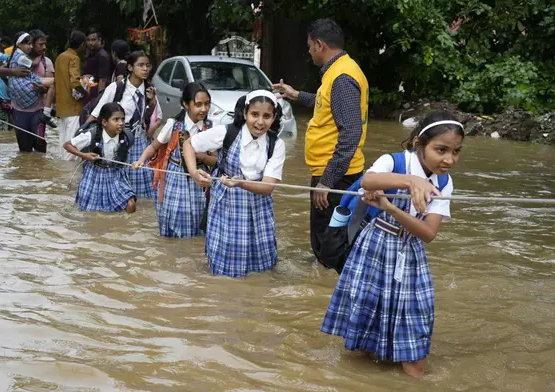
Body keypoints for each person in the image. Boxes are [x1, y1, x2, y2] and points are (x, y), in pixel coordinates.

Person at [321, 110, 464, 377]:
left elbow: (428, 233)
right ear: (419, 145)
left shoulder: (444, 182)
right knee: (363, 326)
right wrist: (412, 181)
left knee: (416, 326)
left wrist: (390, 206)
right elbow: (368, 180)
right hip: (374, 246)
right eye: (441, 149)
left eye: (456, 152)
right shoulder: (394, 162)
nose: (449, 159)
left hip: (410, 253)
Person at [272, 18, 369, 267]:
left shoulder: (342, 78)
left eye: (309, 46)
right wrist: (296, 95)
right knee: (331, 243)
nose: (308, 51)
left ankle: (326, 297)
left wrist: (327, 181)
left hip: (336, 176)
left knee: (329, 248)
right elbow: (327, 103)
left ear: (319, 44)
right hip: (335, 172)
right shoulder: (341, 72)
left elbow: (350, 134)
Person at [182, 90, 286, 277]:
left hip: (259, 205)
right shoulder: (227, 132)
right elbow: (189, 144)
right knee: (225, 262)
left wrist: (240, 184)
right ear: (245, 113)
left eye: (267, 116)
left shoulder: (276, 144)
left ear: (274, 117)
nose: (260, 122)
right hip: (226, 203)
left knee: (261, 264)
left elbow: (268, 186)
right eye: (255, 114)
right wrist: (193, 172)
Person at [133, 82, 215, 238]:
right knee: (176, 217)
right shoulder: (173, 126)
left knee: (200, 217)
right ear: (185, 104)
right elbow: (154, 147)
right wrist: (141, 160)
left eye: (207, 104)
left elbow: (216, 160)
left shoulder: (211, 128)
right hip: (175, 177)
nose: (203, 109)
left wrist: (202, 157)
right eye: (198, 104)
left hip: (201, 178)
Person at [85, 50, 162, 199]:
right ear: (130, 68)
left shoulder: (149, 90)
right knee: (114, 181)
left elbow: (159, 117)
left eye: (148, 65)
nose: (145, 69)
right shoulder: (117, 88)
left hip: (140, 142)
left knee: (141, 184)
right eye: (141, 65)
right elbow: (97, 113)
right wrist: (84, 131)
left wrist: (151, 127)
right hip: (118, 140)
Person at [63, 102, 137, 213]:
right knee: (90, 211)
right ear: (104, 122)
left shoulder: (127, 137)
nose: (121, 123)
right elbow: (67, 145)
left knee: (130, 203)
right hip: (94, 174)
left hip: (116, 175)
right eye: (116, 119)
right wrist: (84, 155)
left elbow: (127, 156)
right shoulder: (92, 135)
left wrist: (135, 163)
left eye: (122, 119)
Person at [4, 31, 55, 153]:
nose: (44, 47)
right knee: (24, 149)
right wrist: (13, 71)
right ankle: (26, 171)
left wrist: (42, 89)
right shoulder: (17, 58)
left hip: (38, 110)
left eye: (44, 44)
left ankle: (40, 170)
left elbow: (51, 87)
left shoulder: (46, 62)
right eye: (40, 44)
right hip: (19, 110)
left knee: (39, 145)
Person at [55, 30, 87, 160]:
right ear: (82, 44)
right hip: (73, 107)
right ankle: (68, 174)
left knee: (62, 141)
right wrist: (86, 92)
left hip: (61, 106)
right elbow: (75, 82)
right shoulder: (74, 58)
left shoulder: (60, 57)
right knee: (72, 143)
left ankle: (63, 170)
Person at [83, 28, 111, 103]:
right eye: (88, 40)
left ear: (99, 40)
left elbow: (103, 80)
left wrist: (99, 100)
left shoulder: (102, 56)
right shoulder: (90, 55)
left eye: (93, 40)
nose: (90, 43)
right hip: (89, 92)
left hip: (96, 95)